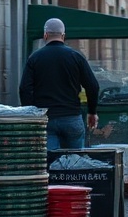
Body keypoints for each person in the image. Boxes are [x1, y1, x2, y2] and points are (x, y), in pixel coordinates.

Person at [19, 17, 101, 150]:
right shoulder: (76, 56)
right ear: (63, 36)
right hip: (72, 117)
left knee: (50, 163)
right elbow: (93, 86)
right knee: (75, 162)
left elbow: (24, 89)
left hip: (46, 119)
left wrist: (31, 115)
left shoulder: (35, 58)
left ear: (45, 35)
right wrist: (92, 112)